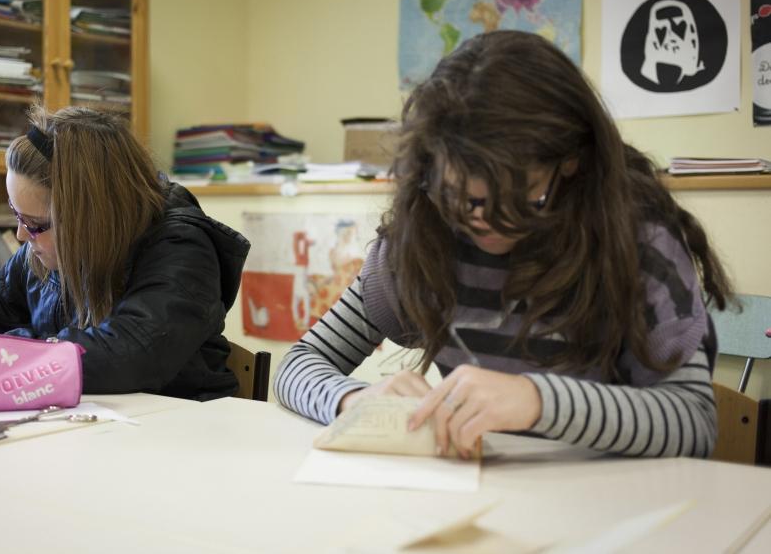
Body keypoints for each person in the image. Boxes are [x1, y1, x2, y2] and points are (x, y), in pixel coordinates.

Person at [274, 30, 731, 459]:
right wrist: (352, 399)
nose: (483, 222)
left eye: (518, 197)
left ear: (570, 161)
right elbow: (299, 365)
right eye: (461, 198)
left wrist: (537, 400)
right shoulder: (426, 233)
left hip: (609, 506)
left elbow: (692, 422)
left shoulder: (636, 241)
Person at [0, 106, 249, 400]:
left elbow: (126, 356)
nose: (21, 235)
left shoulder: (182, 250)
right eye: (17, 218)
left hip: (177, 444)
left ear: (91, 219)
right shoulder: (47, 248)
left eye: (33, 224)